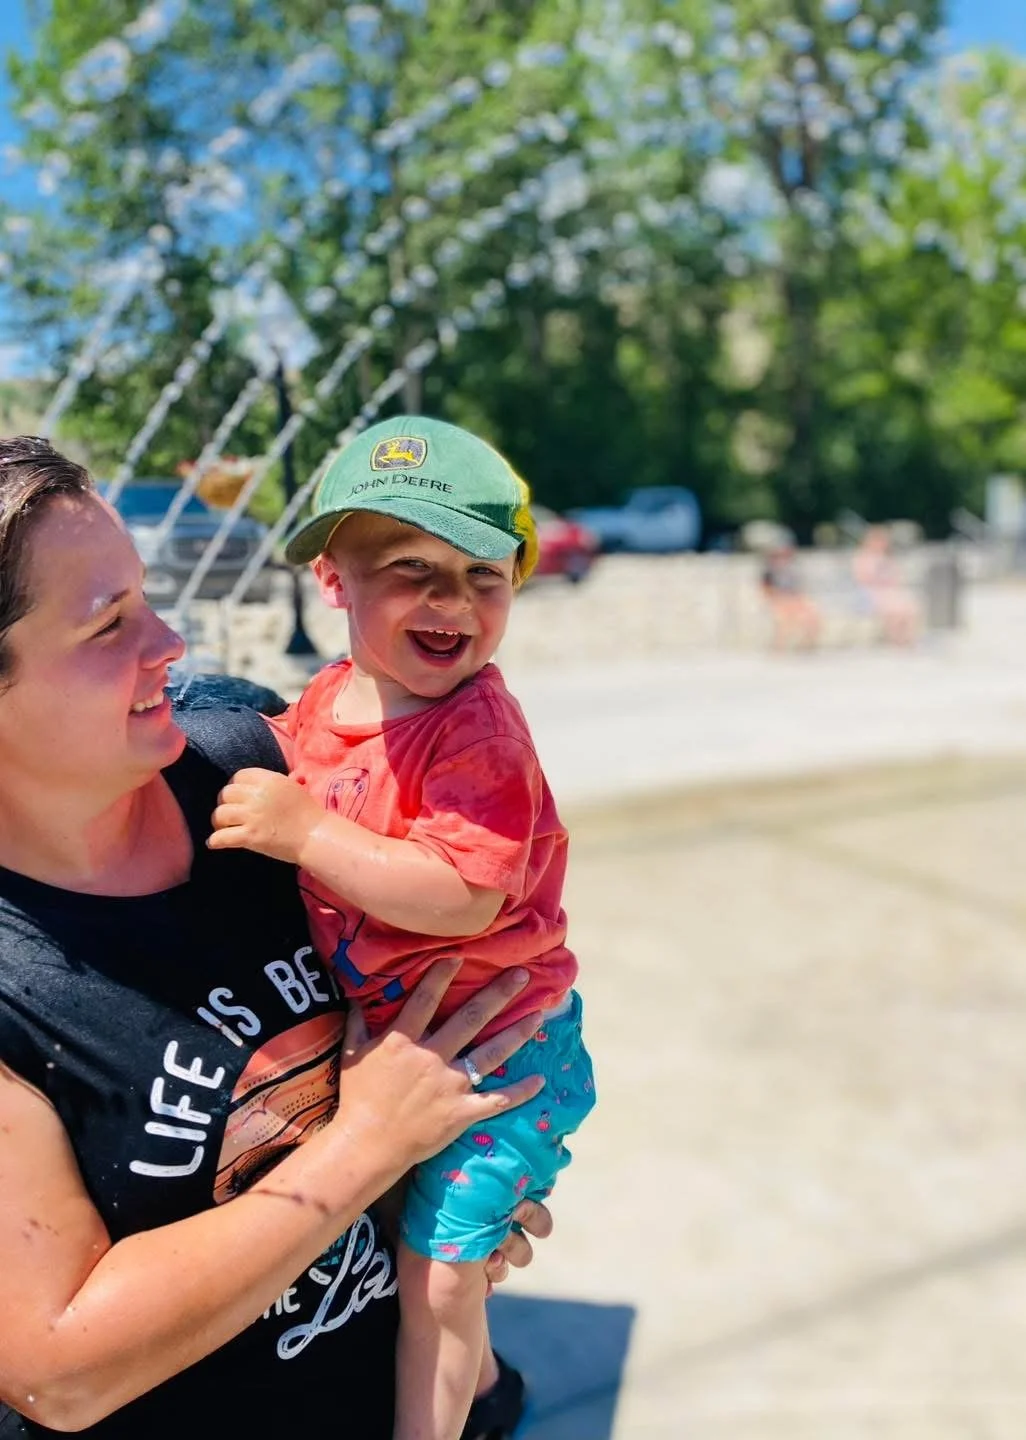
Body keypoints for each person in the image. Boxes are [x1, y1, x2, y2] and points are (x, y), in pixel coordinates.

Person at [0, 435, 553, 1440]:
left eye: (149, 597)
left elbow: (471, 902)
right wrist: (368, 1147)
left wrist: (453, 1201)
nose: (171, 640)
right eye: (108, 623)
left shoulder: (254, 767)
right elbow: (59, 1373)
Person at [208, 416, 596, 1440]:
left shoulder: (477, 731)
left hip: (507, 1055)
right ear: (333, 580)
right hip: (419, 1045)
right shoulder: (330, 700)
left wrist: (306, 834)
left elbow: (458, 894)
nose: (452, 602)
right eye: (412, 569)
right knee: (401, 1248)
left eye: (483, 573)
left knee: (439, 1283)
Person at [851, 525, 920, 646]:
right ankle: (895, 639)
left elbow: (897, 578)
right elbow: (863, 580)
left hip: (888, 592)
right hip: (870, 594)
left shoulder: (888, 558)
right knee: (894, 608)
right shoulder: (863, 558)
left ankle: (907, 638)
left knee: (909, 606)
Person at [759, 545, 821, 650]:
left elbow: (799, 590)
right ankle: (779, 648)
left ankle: (805, 646)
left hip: (794, 600)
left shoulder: (792, 570)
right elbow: (766, 590)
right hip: (779, 600)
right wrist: (780, 598)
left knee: (812, 619)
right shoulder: (769, 572)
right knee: (785, 623)